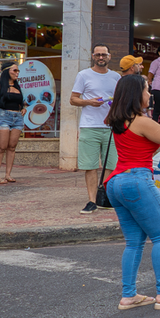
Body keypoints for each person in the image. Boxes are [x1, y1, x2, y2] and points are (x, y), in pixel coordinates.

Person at [104, 72, 160, 311]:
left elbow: (156, 142)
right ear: (136, 94)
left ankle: (128, 295)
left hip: (115, 183)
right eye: (147, 89)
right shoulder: (141, 121)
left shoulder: (118, 120)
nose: (150, 94)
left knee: (134, 242)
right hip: (137, 180)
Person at [68, 45, 120, 214]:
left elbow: (120, 99)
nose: (100, 57)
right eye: (97, 55)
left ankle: (104, 198)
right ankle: (92, 201)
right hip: (90, 126)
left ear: (109, 56)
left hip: (110, 127)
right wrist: (89, 102)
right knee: (90, 166)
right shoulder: (83, 75)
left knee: (111, 165)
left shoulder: (116, 77)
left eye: (103, 54)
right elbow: (73, 99)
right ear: (92, 56)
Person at [0, 60, 25, 184]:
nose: (17, 73)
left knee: (12, 147)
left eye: (18, 70)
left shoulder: (17, 86)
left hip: (17, 117)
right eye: (14, 70)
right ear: (6, 71)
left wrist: (23, 108)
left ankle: (8, 174)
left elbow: (20, 102)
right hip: (3, 116)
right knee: (1, 147)